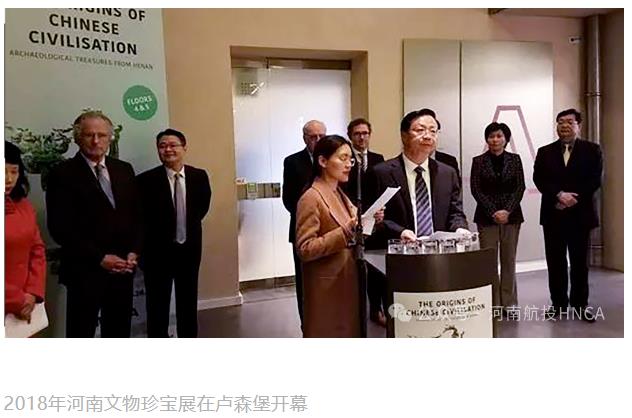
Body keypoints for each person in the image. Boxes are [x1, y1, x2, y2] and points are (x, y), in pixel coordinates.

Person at [46, 111, 142, 337]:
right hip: (85, 271)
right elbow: (60, 227)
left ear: (110, 138)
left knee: (118, 333)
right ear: (78, 138)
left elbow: (137, 216)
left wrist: (134, 250)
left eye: (102, 135)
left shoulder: (124, 169)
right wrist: (100, 258)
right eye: (89, 135)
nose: (96, 141)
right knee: (81, 333)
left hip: (122, 269)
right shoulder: (62, 174)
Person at [137, 129, 212, 338]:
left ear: (184, 148)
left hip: (189, 250)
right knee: (157, 307)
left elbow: (201, 209)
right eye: (162, 146)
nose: (167, 149)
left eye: (172, 145)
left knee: (188, 303)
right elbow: (141, 219)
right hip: (157, 254)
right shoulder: (145, 180)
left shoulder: (199, 176)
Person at [533, 108, 603, 322]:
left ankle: (580, 305)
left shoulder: (592, 150)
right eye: (560, 122)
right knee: (555, 263)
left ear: (578, 125)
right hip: (553, 214)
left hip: (580, 215)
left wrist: (572, 199)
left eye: (569, 122)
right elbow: (539, 179)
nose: (564, 126)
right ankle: (558, 304)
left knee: (580, 263)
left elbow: (594, 180)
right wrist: (559, 195)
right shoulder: (545, 151)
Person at [368, 109, 468, 244]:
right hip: (399, 249)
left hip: (438, 250)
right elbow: (372, 217)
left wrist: (460, 229)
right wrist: (399, 231)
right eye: (420, 130)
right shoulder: (381, 173)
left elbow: (455, 212)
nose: (428, 136)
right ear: (404, 136)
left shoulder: (447, 173)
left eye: (433, 131)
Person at [295, 135, 360, 337]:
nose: (348, 165)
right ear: (323, 161)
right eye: (342, 158)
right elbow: (305, 249)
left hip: (346, 281)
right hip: (325, 286)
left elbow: (352, 231)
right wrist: (345, 231)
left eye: (351, 159)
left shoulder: (339, 192)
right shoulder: (311, 197)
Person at [470, 122, 525, 314]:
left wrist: (507, 211)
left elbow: (520, 188)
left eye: (499, 136)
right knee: (489, 262)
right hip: (487, 218)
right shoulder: (478, 161)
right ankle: (492, 303)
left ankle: (509, 303)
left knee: (509, 260)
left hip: (512, 217)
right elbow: (476, 189)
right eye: (491, 136)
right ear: (487, 139)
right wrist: (494, 211)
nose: (495, 140)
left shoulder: (515, 160)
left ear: (506, 139)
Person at [341, 118, 387, 327]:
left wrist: (380, 212)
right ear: (350, 136)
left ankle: (377, 309)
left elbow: (381, 189)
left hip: (375, 223)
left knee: (377, 270)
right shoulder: (345, 160)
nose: (361, 137)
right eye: (357, 134)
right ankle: (355, 312)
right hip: (351, 222)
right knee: (356, 270)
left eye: (365, 133)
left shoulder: (378, 159)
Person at [282, 120, 326, 328]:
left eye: (321, 136)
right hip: (303, 230)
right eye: (312, 137)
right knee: (304, 280)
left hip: (330, 230)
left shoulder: (332, 160)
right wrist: (308, 216)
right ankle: (306, 325)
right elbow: (288, 199)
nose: (317, 140)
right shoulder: (293, 162)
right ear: (304, 138)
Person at [5, 141, 46, 325]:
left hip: (25, 307)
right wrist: (17, 300)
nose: (8, 179)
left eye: (14, 172)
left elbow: (37, 249)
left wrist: (32, 292)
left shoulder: (24, 206)